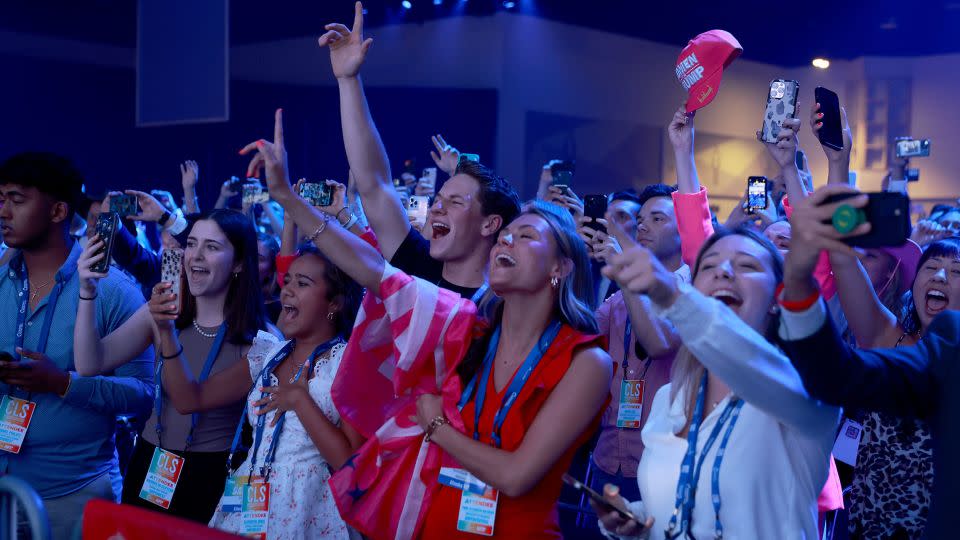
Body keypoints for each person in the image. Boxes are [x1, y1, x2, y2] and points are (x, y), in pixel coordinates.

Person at [240, 101, 612, 538]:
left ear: (561, 267)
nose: (507, 239)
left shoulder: (585, 360)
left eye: (525, 235)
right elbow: (373, 269)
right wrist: (288, 199)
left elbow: (516, 476)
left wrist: (435, 425)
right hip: (433, 523)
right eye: (508, 235)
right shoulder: (469, 326)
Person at [593, 221, 840, 539]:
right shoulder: (670, 398)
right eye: (708, 265)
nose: (723, 271)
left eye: (747, 265)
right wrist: (636, 522)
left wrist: (672, 297)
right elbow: (676, 511)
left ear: (780, 299)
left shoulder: (808, 388)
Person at [778, 185, 960, 540]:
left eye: (956, 271)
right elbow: (837, 371)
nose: (939, 277)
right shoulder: (892, 342)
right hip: (869, 524)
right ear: (915, 283)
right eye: (932, 268)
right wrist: (799, 279)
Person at [151, 240, 363, 538]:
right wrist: (166, 332)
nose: (286, 289)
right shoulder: (267, 353)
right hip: (248, 498)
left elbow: (349, 464)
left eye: (302, 283)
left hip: (308, 507)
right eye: (287, 280)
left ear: (334, 302)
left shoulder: (348, 363)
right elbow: (189, 398)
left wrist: (301, 401)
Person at [313, 1, 521, 300]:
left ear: (490, 223)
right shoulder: (416, 265)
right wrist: (348, 80)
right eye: (439, 199)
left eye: (455, 202)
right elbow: (373, 184)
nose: (436, 208)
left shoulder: (503, 305)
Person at [74, 208, 267, 524]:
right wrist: (87, 292)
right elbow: (89, 362)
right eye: (191, 244)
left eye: (212, 247)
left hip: (215, 475)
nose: (195, 256)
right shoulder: (161, 313)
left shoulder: (262, 340)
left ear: (239, 263)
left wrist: (165, 332)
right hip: (152, 463)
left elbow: (189, 400)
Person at [0, 151, 154, 539]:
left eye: (17, 200)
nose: (3, 211)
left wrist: (63, 384)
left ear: (57, 212)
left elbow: (143, 395)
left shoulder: (112, 290)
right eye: (0, 199)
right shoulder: (1, 275)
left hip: (75, 494)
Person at [576, 187, 681, 510]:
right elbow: (579, 339)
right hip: (609, 458)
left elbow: (658, 344)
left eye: (657, 219)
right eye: (641, 219)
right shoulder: (618, 299)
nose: (643, 226)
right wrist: (574, 258)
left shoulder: (693, 294)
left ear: (685, 229)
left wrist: (625, 277)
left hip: (666, 465)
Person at [258, 232, 282, 322]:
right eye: (247, 255)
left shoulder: (277, 310)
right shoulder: (225, 296)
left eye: (259, 259)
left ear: (271, 270)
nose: (250, 262)